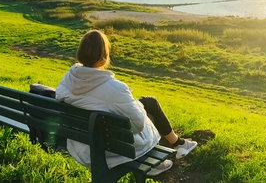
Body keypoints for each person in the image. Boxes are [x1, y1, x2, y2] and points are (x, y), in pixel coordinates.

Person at [56, 29, 197, 176]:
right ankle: (163, 154)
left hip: (81, 144)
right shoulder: (115, 88)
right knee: (148, 111)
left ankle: (179, 143)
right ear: (104, 57)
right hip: (110, 148)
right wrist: (137, 106)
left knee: (149, 102)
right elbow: (138, 125)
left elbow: (86, 102)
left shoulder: (69, 79)